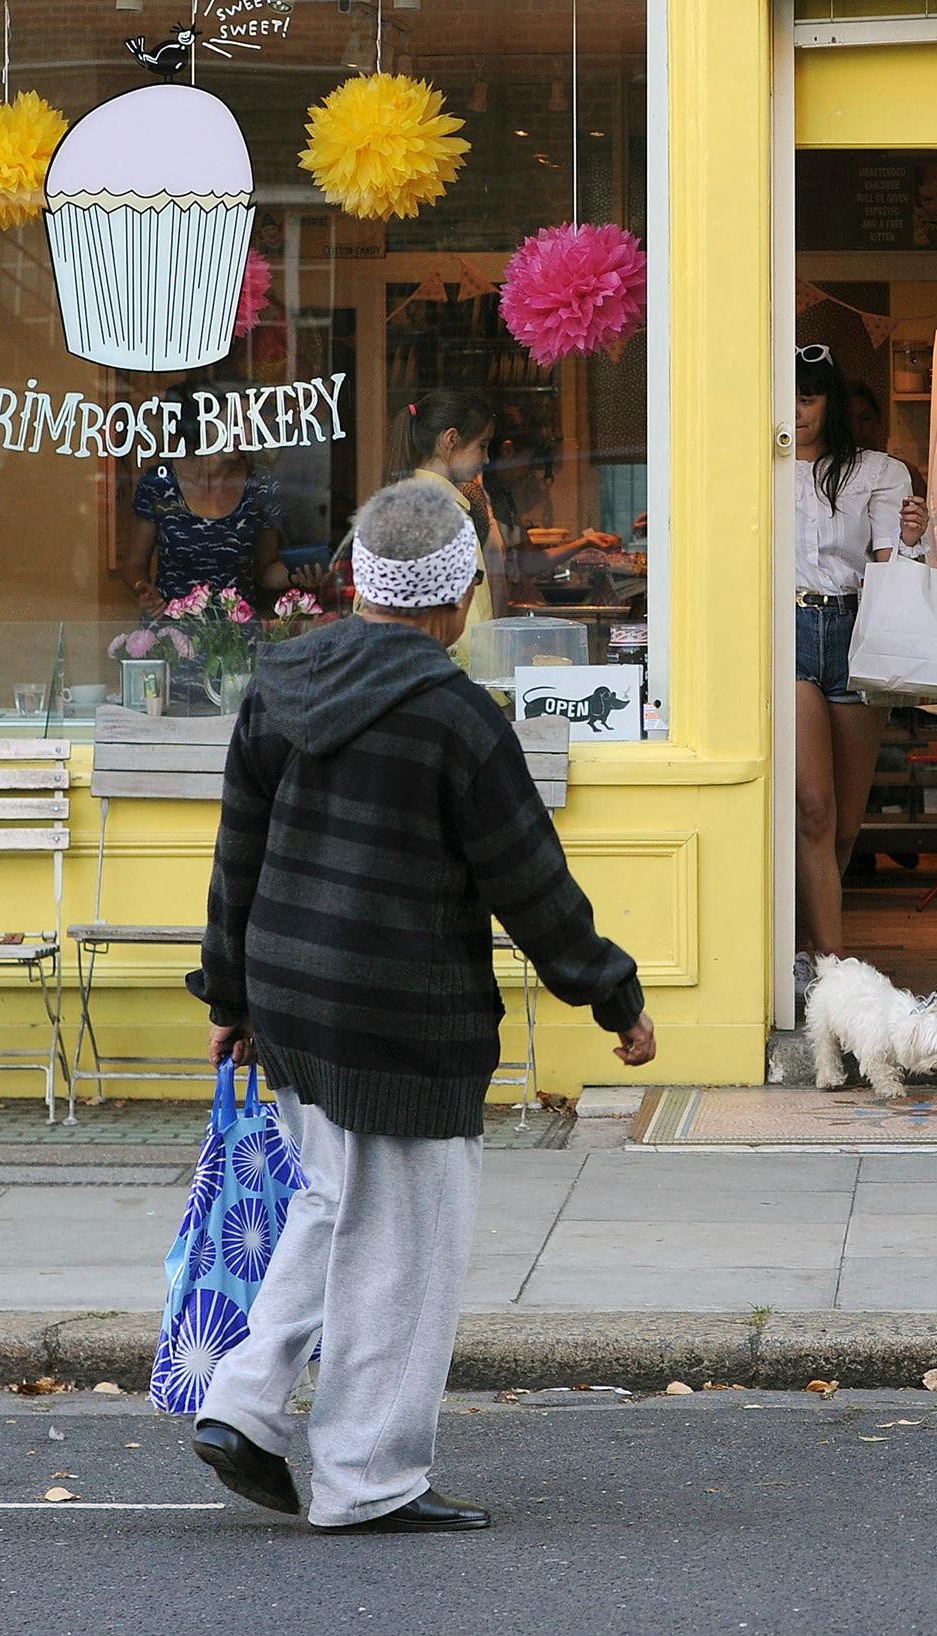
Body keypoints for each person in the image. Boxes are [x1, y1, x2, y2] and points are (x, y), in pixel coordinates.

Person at [186, 479, 655, 1534]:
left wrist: (228, 991)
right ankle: (367, 1480)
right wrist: (612, 995)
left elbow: (237, 856)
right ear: (457, 601)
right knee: (404, 1251)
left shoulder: (278, 684)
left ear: (355, 582)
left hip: (296, 1003)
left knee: (327, 1202)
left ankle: (245, 1404)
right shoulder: (456, 719)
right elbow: (528, 884)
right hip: (405, 1020)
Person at [793, 345, 928, 988]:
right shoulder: (758, 464)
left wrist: (912, 537)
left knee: (845, 822)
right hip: (784, 628)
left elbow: (888, 563)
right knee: (813, 809)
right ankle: (830, 970)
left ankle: (800, 943)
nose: (797, 411)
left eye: (809, 397)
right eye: (789, 396)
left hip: (855, 625)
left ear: (832, 403)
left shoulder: (876, 471)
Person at [120, 394, 283, 616]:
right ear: (205, 423)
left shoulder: (262, 485)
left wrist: (297, 576)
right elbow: (134, 565)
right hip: (172, 635)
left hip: (235, 636)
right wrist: (144, 590)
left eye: (251, 423)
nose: (245, 432)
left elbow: (265, 569)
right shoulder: (160, 482)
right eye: (236, 421)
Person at [394, 389, 502, 666]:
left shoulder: (397, 504)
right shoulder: (449, 516)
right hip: (451, 678)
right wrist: (495, 693)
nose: (486, 459)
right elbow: (472, 621)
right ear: (451, 439)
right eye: (483, 445)